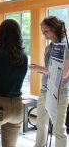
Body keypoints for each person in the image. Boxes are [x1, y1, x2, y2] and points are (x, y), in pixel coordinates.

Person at [30, 16, 69, 147]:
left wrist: (41, 68)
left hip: (60, 93)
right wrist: (39, 69)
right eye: (42, 31)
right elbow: (50, 70)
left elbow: (64, 73)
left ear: (55, 29)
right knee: (41, 124)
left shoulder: (66, 46)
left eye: (46, 31)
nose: (43, 34)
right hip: (45, 89)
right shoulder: (49, 47)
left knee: (59, 128)